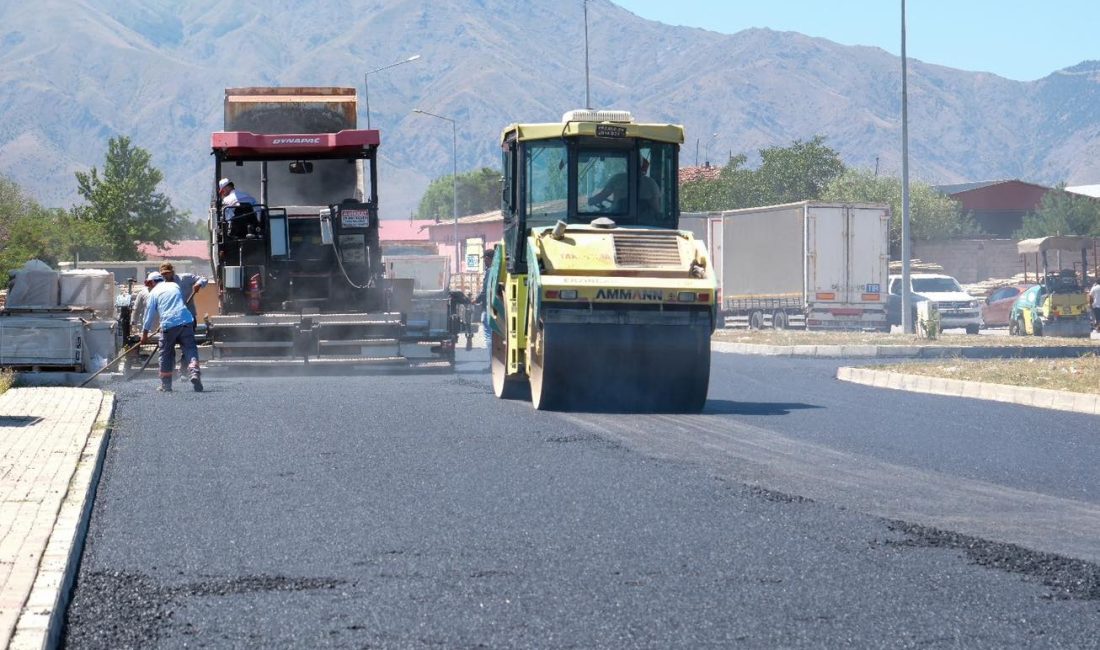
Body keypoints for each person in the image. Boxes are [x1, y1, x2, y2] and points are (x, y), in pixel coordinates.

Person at [140, 272, 202, 393]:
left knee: (165, 353)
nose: (149, 287)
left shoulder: (153, 293)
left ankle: (166, 384)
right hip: (186, 320)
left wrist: (145, 334)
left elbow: (149, 314)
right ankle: (194, 372)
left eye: (148, 283)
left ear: (152, 282)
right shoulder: (174, 286)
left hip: (169, 324)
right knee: (190, 349)